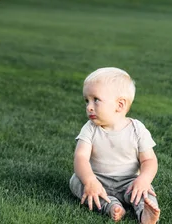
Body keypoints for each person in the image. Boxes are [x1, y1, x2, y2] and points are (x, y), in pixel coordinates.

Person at [69, 67, 161, 223]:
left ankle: (144, 212)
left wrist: (144, 179)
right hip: (98, 180)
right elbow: (81, 157)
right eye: (87, 100)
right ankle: (110, 206)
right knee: (77, 182)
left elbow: (149, 160)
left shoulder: (137, 129)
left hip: (129, 182)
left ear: (119, 105)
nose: (89, 107)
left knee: (146, 191)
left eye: (96, 100)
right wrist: (90, 181)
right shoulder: (90, 128)